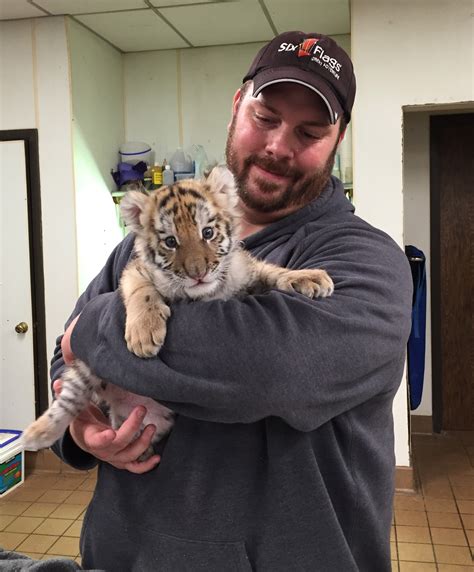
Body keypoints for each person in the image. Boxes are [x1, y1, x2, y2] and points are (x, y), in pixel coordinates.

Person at [49, 31, 412, 571]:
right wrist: (80, 428)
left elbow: (263, 366)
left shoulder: (368, 261)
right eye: (265, 118)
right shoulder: (143, 238)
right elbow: (63, 363)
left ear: (338, 143)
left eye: (310, 131)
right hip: (125, 554)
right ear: (236, 109)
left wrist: (92, 328)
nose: (278, 146)